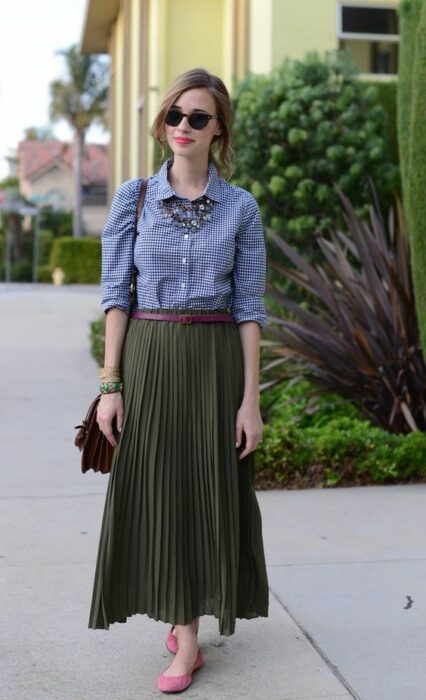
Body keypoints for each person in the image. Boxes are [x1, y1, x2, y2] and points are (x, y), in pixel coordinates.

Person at [89, 67, 269, 694]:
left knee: (206, 492)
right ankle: (183, 627)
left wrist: (251, 400)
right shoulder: (132, 198)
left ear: (218, 130)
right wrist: (111, 386)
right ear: (162, 124)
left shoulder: (242, 207)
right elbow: (116, 297)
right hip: (151, 356)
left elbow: (249, 310)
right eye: (174, 116)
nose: (183, 127)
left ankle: (186, 636)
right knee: (162, 492)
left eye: (198, 118)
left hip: (216, 361)